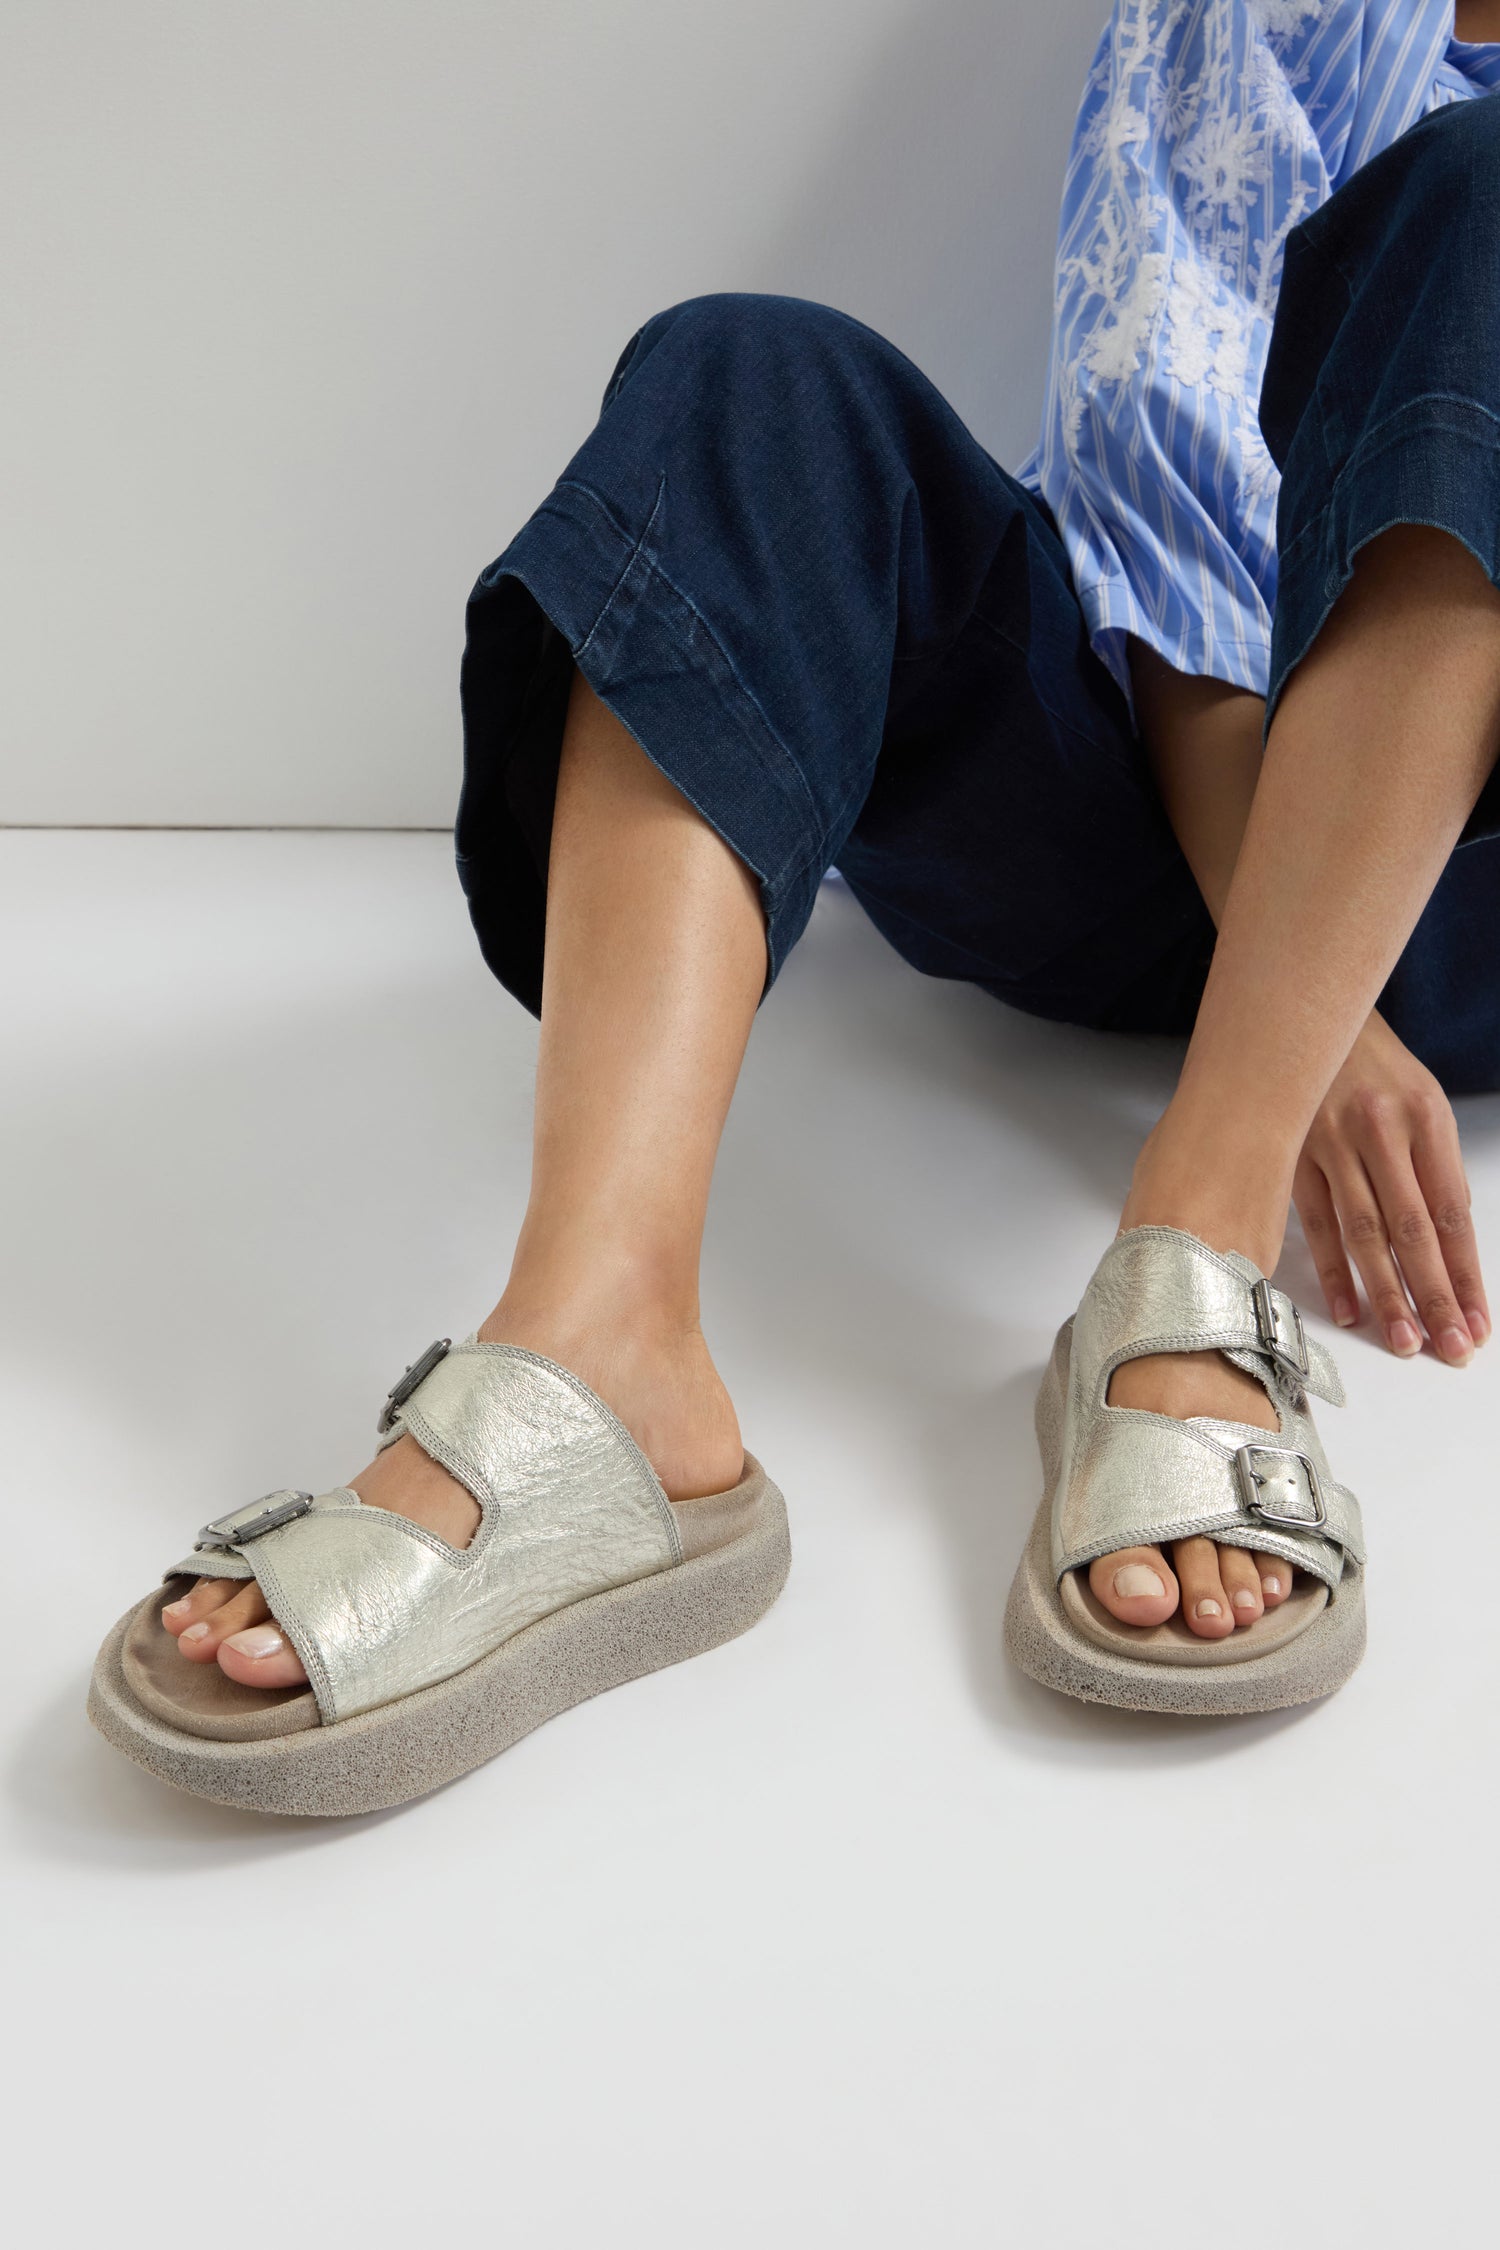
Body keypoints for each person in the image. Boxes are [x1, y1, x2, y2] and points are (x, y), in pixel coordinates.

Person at [92, 2, 1500, 1795]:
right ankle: (603, 1341)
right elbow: (1170, 518)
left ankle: (1196, 1242)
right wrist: (1317, 1003)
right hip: (1173, 826)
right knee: (752, 378)